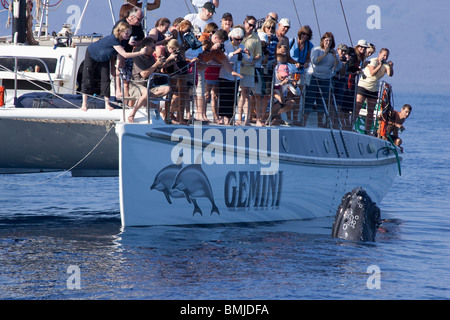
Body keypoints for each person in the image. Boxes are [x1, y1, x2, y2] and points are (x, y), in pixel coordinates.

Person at [80, 21, 148, 111]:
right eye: (126, 33)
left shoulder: (123, 41)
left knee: (106, 79)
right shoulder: (113, 39)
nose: (128, 35)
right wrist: (140, 52)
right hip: (92, 54)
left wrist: (116, 68)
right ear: (120, 32)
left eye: (129, 34)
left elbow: (116, 55)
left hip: (104, 57)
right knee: (87, 77)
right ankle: (84, 104)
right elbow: (125, 54)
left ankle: (107, 104)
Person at [127, 37, 171, 123]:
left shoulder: (151, 58)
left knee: (167, 89)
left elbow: (154, 71)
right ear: (146, 47)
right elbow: (144, 75)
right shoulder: (138, 57)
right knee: (146, 93)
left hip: (149, 85)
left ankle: (144, 99)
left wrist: (161, 65)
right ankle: (132, 114)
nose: (154, 50)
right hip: (137, 85)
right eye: (153, 48)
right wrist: (156, 64)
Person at [303, 32, 342, 127]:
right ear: (322, 41)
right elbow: (314, 61)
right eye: (326, 41)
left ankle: (320, 123)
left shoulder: (334, 52)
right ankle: (303, 122)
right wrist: (325, 54)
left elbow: (338, 67)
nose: (328, 43)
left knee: (322, 101)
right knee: (310, 99)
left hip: (326, 79)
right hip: (314, 77)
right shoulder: (317, 50)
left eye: (330, 41)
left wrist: (334, 57)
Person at [355, 48, 394, 134]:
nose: (385, 57)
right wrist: (380, 65)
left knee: (371, 111)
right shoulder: (373, 61)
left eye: (386, 56)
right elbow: (372, 73)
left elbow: (390, 74)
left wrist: (390, 67)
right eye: (383, 55)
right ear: (379, 54)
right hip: (364, 86)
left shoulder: (386, 64)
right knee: (358, 107)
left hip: (374, 88)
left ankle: (367, 130)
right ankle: (350, 126)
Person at [218, 27, 251, 125]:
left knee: (232, 98)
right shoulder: (226, 45)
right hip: (225, 75)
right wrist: (234, 53)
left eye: (241, 39)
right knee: (224, 97)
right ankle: (222, 117)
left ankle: (229, 118)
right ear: (232, 37)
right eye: (237, 39)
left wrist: (248, 54)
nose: (239, 41)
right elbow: (223, 56)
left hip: (235, 76)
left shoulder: (241, 46)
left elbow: (248, 59)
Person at [113, 7, 146, 103]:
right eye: (139, 19)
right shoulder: (121, 24)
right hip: (119, 53)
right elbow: (115, 41)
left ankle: (126, 104)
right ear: (131, 17)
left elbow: (142, 39)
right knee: (118, 73)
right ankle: (118, 94)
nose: (140, 21)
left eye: (142, 19)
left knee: (126, 81)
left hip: (129, 53)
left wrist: (137, 43)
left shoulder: (138, 25)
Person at [237, 15, 261, 126]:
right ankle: (237, 118)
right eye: (250, 24)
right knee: (237, 94)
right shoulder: (238, 33)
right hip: (236, 68)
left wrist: (254, 61)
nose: (251, 27)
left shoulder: (256, 37)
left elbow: (258, 54)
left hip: (248, 70)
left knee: (245, 93)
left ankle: (245, 119)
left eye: (253, 26)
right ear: (244, 22)